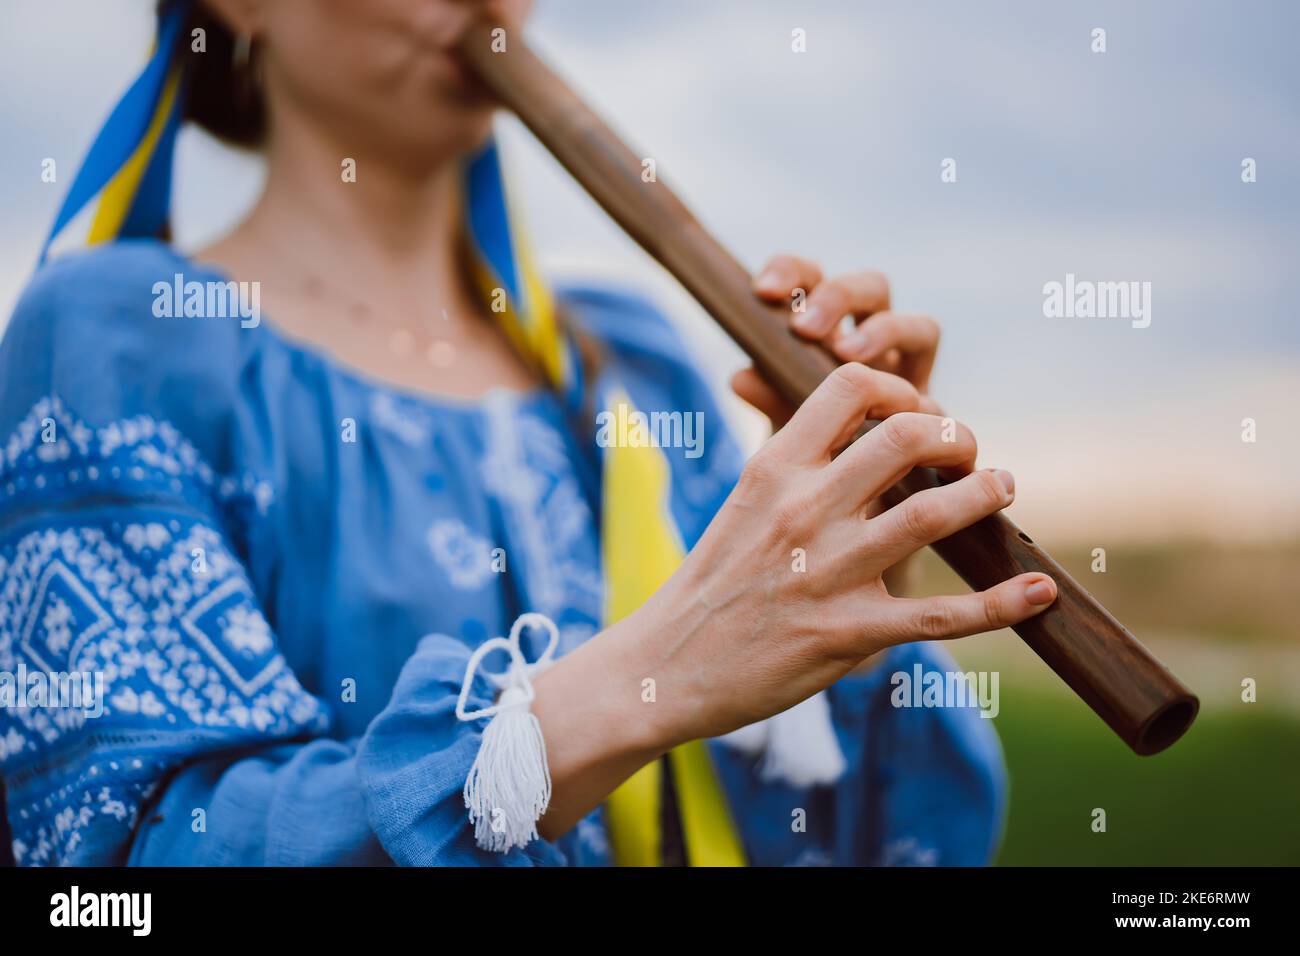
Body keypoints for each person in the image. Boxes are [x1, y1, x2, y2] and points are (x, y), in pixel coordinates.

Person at [0, 0, 1056, 867]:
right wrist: (618, 696)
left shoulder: (628, 366)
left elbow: (835, 842)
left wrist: (859, 579)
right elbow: (111, 860)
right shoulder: (118, 336)